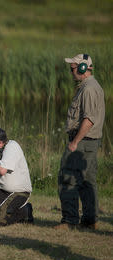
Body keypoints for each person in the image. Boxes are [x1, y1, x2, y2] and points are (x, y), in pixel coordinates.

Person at [55, 53, 105, 230]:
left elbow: (89, 119)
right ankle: (90, 220)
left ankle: (70, 220)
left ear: (83, 68)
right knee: (87, 180)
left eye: (73, 68)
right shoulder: (88, 86)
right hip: (90, 141)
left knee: (68, 178)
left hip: (83, 141)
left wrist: (75, 142)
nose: (71, 71)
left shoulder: (89, 88)